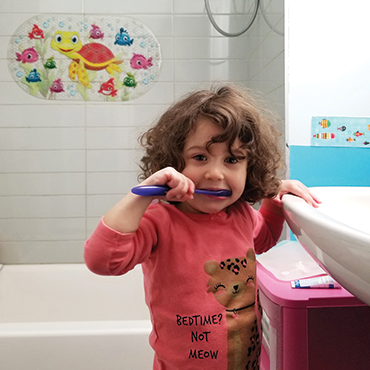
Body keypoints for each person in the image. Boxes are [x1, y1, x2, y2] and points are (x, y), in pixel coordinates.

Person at [84, 84, 320, 370]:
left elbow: (262, 239)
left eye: (232, 160)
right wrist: (142, 195)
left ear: (250, 168)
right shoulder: (160, 222)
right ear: (174, 164)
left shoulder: (241, 213)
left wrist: (275, 195)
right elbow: (103, 261)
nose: (215, 173)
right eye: (200, 157)